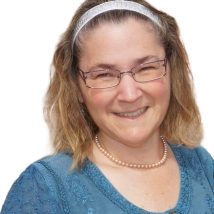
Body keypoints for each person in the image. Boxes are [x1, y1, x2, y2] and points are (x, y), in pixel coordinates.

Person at [1, 0, 214, 213]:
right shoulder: (43, 189)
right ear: (76, 88)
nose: (129, 94)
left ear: (171, 71)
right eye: (104, 74)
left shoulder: (202, 166)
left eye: (146, 68)